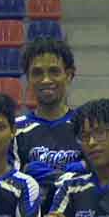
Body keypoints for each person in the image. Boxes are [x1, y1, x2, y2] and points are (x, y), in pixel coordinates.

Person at [14, 37, 84, 182]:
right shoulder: (14, 129)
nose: (46, 80)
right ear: (28, 78)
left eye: (54, 72)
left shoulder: (86, 126)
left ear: (69, 75)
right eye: (37, 73)